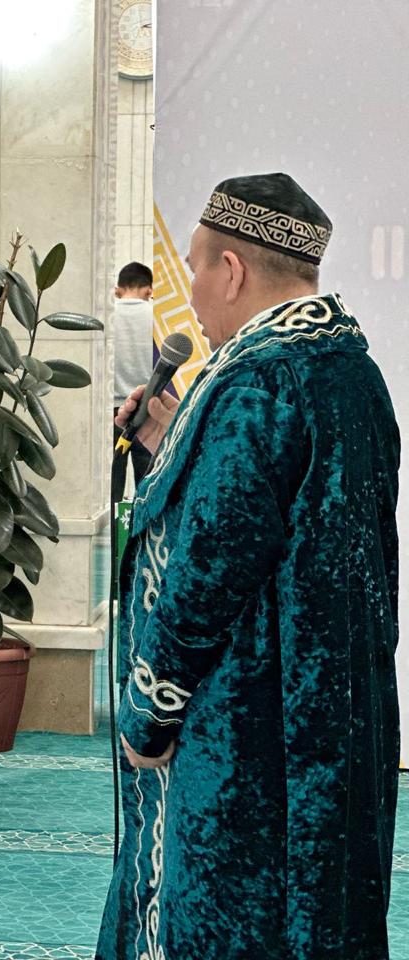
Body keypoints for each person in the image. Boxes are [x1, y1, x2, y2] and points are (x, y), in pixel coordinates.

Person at [97, 173, 400, 959]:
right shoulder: (353, 374)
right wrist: (173, 444)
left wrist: (147, 715)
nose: (192, 298)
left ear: (231, 270)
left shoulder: (257, 383)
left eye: (196, 268)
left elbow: (207, 574)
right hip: (334, 727)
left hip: (249, 740)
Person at [110, 261, 156, 503]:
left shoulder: (107, 315)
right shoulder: (155, 315)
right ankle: (142, 526)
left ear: (118, 289)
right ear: (149, 290)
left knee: (111, 483)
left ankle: (113, 526)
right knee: (147, 481)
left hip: (111, 409)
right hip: (147, 408)